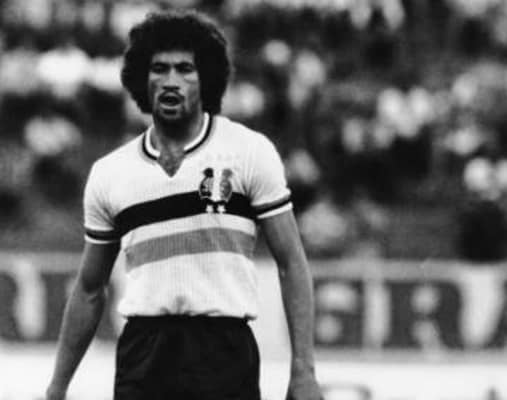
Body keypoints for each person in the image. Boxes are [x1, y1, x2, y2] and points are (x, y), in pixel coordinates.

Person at [46, 9, 321, 400]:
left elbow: (291, 262)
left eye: (185, 69)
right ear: (143, 80)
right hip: (143, 354)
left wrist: (304, 371)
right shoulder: (110, 173)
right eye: (159, 69)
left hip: (223, 351)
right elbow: (90, 288)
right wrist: (57, 387)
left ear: (205, 78)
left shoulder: (248, 151)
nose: (171, 81)